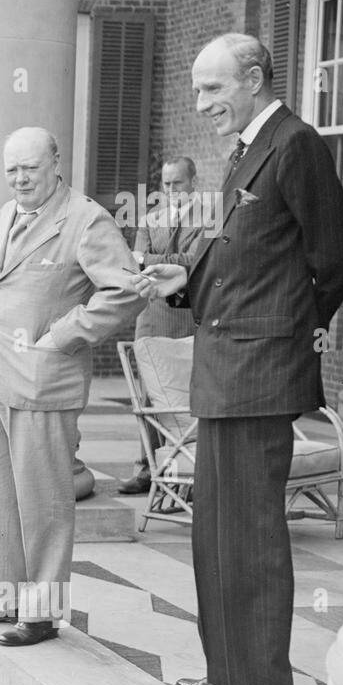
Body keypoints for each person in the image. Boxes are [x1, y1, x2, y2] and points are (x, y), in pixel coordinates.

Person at [136, 33, 343, 685]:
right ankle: (230, 676)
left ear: (255, 79)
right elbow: (245, 258)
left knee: (254, 538)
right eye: (198, 90)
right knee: (217, 534)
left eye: (212, 89)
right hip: (226, 368)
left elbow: (338, 253)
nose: (201, 104)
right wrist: (185, 285)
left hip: (260, 372)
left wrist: (292, 329)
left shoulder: (294, 144)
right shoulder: (244, 154)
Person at [0, 126, 144, 646]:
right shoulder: (5, 214)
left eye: (30, 168)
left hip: (44, 378)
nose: (20, 178)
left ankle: (40, 613)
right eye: (12, 169)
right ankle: (0, 595)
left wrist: (61, 336)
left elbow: (127, 292)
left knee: (43, 500)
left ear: (56, 163)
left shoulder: (86, 219)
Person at [117, 156, 202, 497]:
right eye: (166, 184)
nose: (170, 190)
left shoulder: (208, 218)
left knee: (185, 390)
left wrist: (150, 259)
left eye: (177, 183)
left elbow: (195, 262)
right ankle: (147, 468)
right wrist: (155, 262)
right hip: (151, 313)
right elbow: (132, 263)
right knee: (148, 390)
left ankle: (185, 465)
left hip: (186, 314)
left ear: (193, 182)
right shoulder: (150, 218)